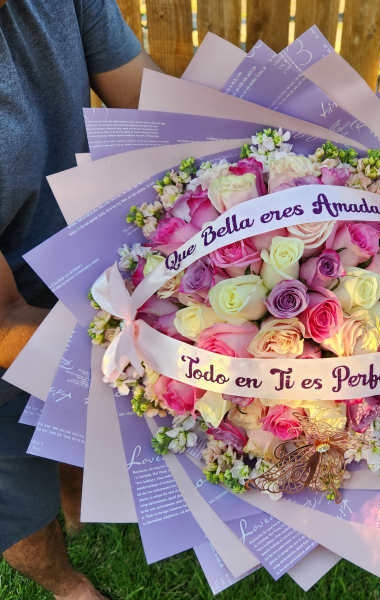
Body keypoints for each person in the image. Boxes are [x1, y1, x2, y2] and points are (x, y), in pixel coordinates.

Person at [0, 1, 160, 598]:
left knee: (72, 408)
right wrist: (190, 369)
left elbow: (158, 109)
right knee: (12, 484)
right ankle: (68, 586)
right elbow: (5, 324)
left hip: (70, 252)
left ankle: (77, 496)